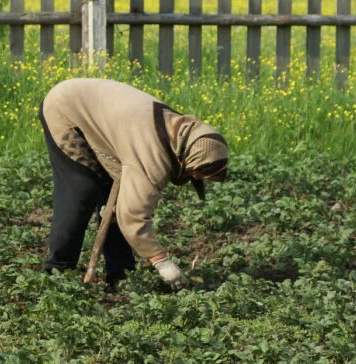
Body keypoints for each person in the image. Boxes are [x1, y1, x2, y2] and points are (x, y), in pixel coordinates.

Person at [39, 78, 228, 290]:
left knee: (118, 198)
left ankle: (120, 273)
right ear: (188, 159)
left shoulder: (180, 133)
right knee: (81, 190)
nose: (192, 179)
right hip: (66, 108)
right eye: (194, 174)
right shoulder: (152, 157)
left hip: (103, 118)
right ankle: (58, 271)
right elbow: (133, 217)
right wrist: (161, 262)